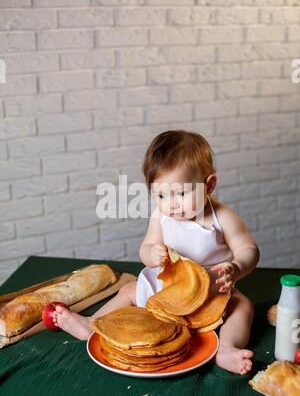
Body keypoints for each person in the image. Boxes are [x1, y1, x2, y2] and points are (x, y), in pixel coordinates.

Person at [53, 129, 260, 375]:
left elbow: (249, 249)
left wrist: (236, 268)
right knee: (128, 290)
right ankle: (92, 323)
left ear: (209, 185)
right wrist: (151, 254)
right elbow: (146, 247)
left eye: (181, 193)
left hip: (213, 293)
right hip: (167, 292)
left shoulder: (222, 217)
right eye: (161, 195)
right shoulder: (160, 216)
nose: (171, 204)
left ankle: (226, 348)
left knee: (243, 305)